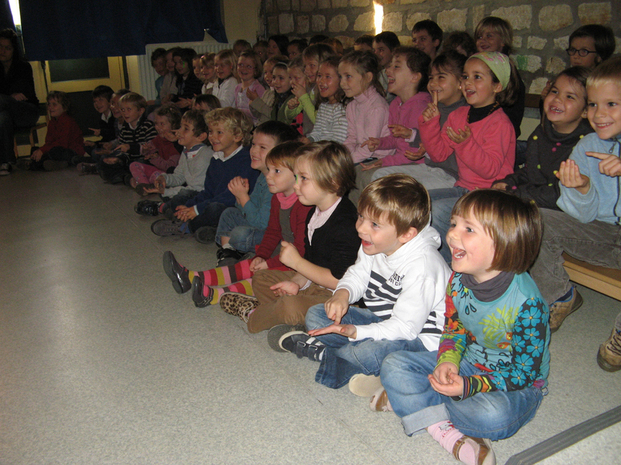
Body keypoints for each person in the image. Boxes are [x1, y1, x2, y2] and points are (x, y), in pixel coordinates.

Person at [380, 189, 550, 465]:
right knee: (393, 365)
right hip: (468, 365)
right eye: (454, 224)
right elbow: (454, 330)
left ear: (506, 243)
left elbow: (523, 374)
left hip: (514, 385)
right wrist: (448, 360)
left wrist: (469, 386)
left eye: (468, 229)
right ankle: (438, 418)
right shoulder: (457, 280)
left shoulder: (527, 304)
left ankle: (415, 402)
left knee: (493, 417)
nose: (452, 235)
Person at [278, 174, 450, 395]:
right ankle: (372, 371)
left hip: (421, 340)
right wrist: (343, 293)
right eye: (361, 217)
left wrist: (356, 332)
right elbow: (358, 274)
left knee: (367, 351)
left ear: (407, 234)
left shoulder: (423, 266)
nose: (361, 228)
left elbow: (405, 329)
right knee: (317, 314)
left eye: (374, 224)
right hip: (386, 321)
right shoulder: (374, 243)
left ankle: (331, 356)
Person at [220, 141, 360, 334]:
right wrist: (296, 282)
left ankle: (255, 313)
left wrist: (297, 263)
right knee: (261, 278)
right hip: (314, 286)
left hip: (337, 299)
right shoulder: (315, 212)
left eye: (303, 178)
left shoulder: (345, 224)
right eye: (296, 177)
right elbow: (311, 261)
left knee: (289, 306)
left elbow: (339, 281)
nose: (295, 185)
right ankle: (288, 318)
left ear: (333, 182)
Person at [529, 57, 621, 341]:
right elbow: (583, 216)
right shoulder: (588, 145)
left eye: (611, 104)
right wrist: (582, 188)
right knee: (538, 219)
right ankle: (558, 295)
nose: (599, 113)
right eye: (593, 104)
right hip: (605, 235)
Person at [163, 140, 309, 306]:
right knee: (250, 265)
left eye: (276, 171)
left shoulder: (303, 206)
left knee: (263, 278)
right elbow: (273, 231)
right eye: (269, 170)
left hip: (302, 264)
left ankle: (215, 295)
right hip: (285, 254)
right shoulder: (278, 197)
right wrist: (262, 256)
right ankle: (191, 277)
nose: (268, 176)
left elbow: (301, 251)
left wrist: (269, 263)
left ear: (297, 174)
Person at [422, 51, 518, 262]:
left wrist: (466, 143)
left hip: (489, 195)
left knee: (438, 212)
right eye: (465, 76)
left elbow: (490, 170)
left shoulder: (500, 123)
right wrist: (430, 124)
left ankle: (453, 268)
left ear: (497, 86)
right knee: (418, 200)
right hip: (464, 189)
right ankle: (426, 264)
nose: (468, 83)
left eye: (477, 77)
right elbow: (438, 154)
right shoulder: (458, 116)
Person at [492, 67, 593, 209]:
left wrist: (514, 193)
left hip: (563, 211)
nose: (557, 98)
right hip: (533, 201)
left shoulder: (586, 145)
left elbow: (559, 195)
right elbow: (531, 172)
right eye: (555, 91)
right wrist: (509, 182)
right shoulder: (540, 133)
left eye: (569, 96)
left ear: (585, 111)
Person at [151, 107, 257, 242]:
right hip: (216, 203)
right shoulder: (216, 158)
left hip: (236, 209)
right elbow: (208, 192)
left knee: (216, 209)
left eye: (219, 132)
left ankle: (187, 226)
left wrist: (196, 209)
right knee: (187, 201)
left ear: (237, 136)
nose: (212, 137)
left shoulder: (246, 160)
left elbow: (230, 198)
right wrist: (190, 206)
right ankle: (211, 230)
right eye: (211, 131)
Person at [372, 51, 467, 191]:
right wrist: (416, 139)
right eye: (431, 78)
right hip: (430, 167)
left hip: (451, 175)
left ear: (460, 83)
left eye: (441, 77)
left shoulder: (464, 113)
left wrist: (426, 149)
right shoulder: (434, 108)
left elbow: (446, 152)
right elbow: (428, 139)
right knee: (379, 177)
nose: (433, 83)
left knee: (403, 190)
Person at [215, 121, 300, 264]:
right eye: (253, 144)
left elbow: (262, 224)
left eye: (262, 147)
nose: (254, 151)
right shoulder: (263, 175)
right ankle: (228, 252)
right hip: (259, 226)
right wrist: (239, 196)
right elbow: (246, 210)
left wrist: (243, 197)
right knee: (228, 214)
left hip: (273, 235)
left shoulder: (276, 185)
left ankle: (238, 250)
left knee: (240, 234)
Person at [356, 47, 432, 202]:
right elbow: (394, 139)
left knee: (372, 177)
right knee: (358, 172)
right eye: (389, 66)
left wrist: (384, 162)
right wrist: (379, 143)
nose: (388, 70)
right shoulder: (395, 104)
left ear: (415, 77)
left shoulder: (421, 107)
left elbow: (412, 151)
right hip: (399, 160)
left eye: (396, 66)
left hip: (416, 164)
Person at [134, 109, 210, 217]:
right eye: (180, 127)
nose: (178, 132)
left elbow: (196, 189)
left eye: (185, 129)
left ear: (201, 136)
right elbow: (179, 176)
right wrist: (164, 179)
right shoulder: (187, 151)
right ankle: (170, 210)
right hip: (192, 191)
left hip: (202, 195)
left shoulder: (204, 156)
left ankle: (162, 208)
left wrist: (166, 192)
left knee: (182, 196)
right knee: (173, 194)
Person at [473, 17, 525, 142]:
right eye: (479, 37)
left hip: (501, 133)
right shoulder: (478, 66)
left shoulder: (506, 70)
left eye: (489, 36)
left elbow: (509, 106)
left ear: (503, 41)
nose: (483, 40)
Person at [339, 50, 393, 165]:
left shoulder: (376, 107)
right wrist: (342, 157)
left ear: (368, 77)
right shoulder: (352, 106)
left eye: (348, 76)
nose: (342, 83)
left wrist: (346, 163)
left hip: (377, 157)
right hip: (362, 156)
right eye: (341, 77)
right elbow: (352, 138)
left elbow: (369, 147)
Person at [0, 28, 39, 175]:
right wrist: (11, 96)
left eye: (7, 48)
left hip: (26, 112)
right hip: (7, 113)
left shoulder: (23, 67)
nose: (2, 51)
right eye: (0, 46)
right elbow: (12, 95)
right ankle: (6, 162)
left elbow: (23, 95)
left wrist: (9, 97)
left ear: (14, 50)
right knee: (2, 117)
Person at [97, 92, 157, 184]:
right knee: (104, 160)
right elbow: (122, 148)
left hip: (144, 160)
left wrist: (131, 148)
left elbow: (151, 147)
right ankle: (127, 178)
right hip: (129, 160)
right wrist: (119, 158)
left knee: (138, 164)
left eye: (129, 109)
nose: (125, 113)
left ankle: (126, 178)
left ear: (140, 111)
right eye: (123, 110)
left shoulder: (147, 125)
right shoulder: (125, 128)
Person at [23, 91, 84, 171]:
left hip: (71, 151)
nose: (50, 107)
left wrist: (43, 150)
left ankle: (34, 164)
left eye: (54, 104)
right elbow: (49, 141)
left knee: (55, 151)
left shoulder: (68, 121)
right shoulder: (52, 122)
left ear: (64, 107)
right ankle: (53, 164)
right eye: (49, 104)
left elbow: (63, 143)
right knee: (35, 149)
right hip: (58, 148)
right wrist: (40, 150)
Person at [128, 104, 183, 195]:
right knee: (134, 165)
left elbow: (169, 167)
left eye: (162, 124)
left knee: (157, 176)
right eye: (156, 123)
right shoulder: (158, 138)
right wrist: (146, 150)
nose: (158, 127)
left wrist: (154, 158)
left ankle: (150, 184)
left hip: (168, 175)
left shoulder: (176, 144)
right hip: (156, 170)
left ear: (173, 126)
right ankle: (144, 185)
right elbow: (149, 148)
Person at [305, 56, 348, 144]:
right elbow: (317, 132)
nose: (321, 81)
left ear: (341, 80)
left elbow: (338, 141)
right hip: (323, 149)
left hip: (332, 152)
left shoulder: (343, 108)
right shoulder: (324, 106)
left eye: (328, 77)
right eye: (319, 76)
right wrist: (309, 140)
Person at [248, 55, 284, 126]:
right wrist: (252, 104)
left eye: (271, 72)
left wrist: (256, 101)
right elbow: (259, 115)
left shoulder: (279, 95)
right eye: (265, 72)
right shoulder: (267, 92)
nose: (267, 76)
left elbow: (271, 114)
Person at [234, 50, 264, 125]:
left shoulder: (258, 88)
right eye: (240, 65)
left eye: (249, 66)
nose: (243, 69)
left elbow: (261, 112)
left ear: (256, 70)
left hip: (255, 125)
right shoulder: (237, 88)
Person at [84, 85, 115, 153]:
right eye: (95, 101)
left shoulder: (115, 115)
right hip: (108, 144)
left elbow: (115, 135)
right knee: (87, 147)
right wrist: (95, 143)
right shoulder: (102, 118)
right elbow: (106, 139)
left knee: (98, 154)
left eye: (100, 100)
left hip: (115, 145)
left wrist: (102, 132)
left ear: (110, 101)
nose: (97, 104)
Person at [372, 31, 400, 97]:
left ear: (393, 50)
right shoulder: (379, 76)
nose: (376, 54)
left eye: (381, 50)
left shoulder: (399, 74)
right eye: (374, 50)